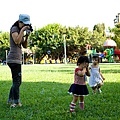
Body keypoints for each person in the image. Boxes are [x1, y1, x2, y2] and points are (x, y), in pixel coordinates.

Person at [7, 14, 32, 108]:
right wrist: (22, 30)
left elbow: (24, 46)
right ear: (19, 22)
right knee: (17, 81)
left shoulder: (20, 31)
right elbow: (17, 41)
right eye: (24, 24)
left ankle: (10, 100)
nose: (25, 26)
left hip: (17, 59)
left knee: (16, 81)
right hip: (13, 59)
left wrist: (27, 36)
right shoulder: (14, 29)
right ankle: (16, 102)